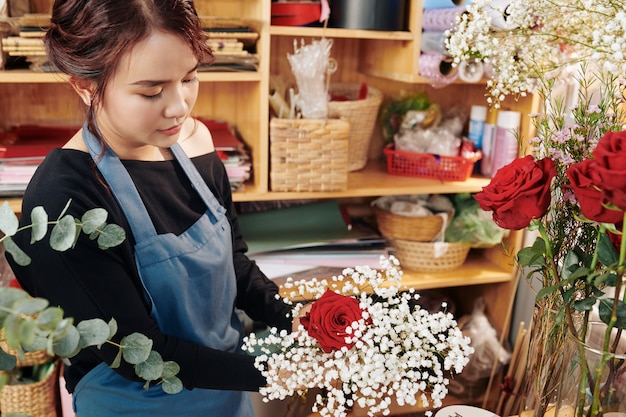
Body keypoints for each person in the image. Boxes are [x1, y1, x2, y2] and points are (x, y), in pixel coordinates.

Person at [6, 1, 299, 416]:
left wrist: (297, 318)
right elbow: (139, 356)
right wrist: (273, 372)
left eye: (190, 77)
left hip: (227, 397)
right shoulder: (64, 202)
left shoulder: (194, 142)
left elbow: (233, 264)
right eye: (151, 90)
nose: (179, 105)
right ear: (84, 85)